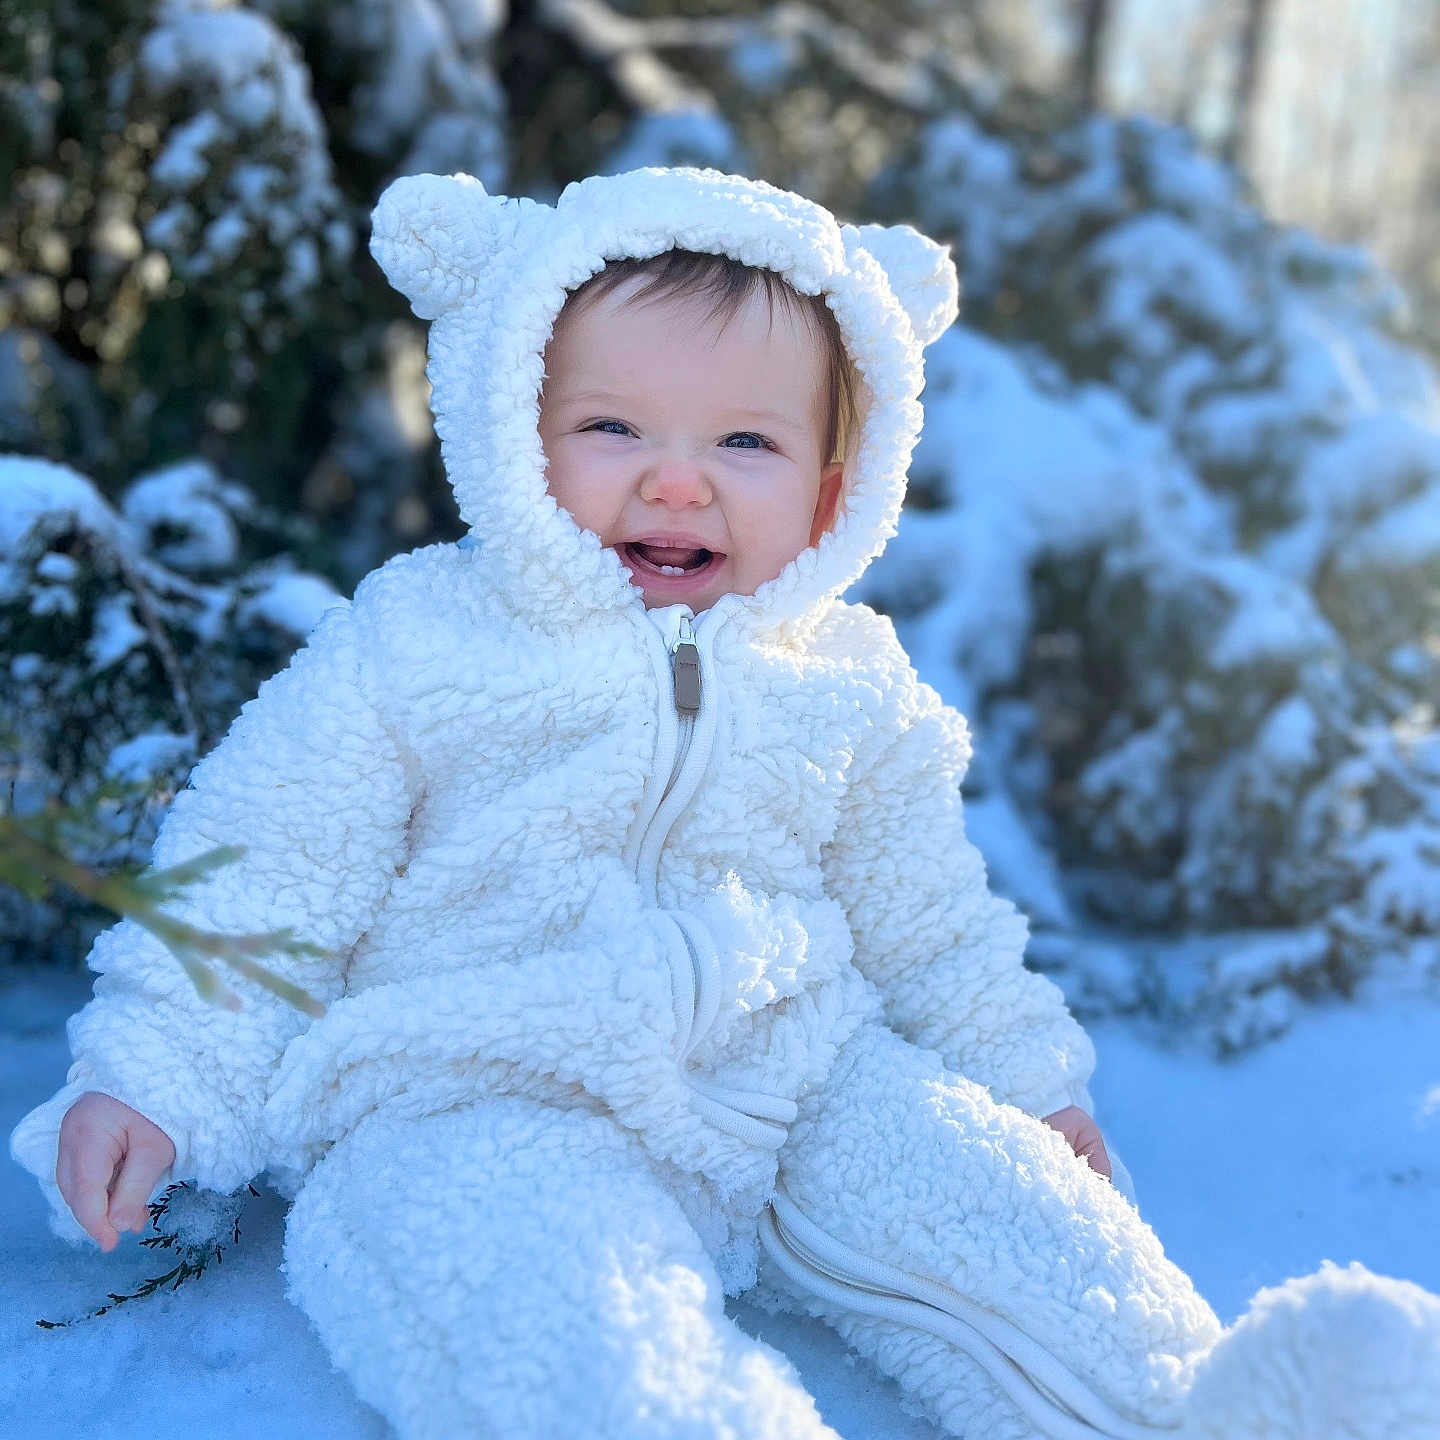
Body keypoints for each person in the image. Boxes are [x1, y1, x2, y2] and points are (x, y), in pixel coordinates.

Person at [12, 168, 1437, 1440]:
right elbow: (270, 867)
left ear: (834, 494)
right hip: (473, 1093)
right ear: (511, 430)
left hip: (793, 1071)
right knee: (546, 1308)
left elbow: (929, 919)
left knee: (992, 1210)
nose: (676, 477)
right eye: (613, 424)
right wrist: (157, 1069)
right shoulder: (420, 642)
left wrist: (1028, 1092)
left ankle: (1203, 1404)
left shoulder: (848, 679)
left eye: (745, 445)